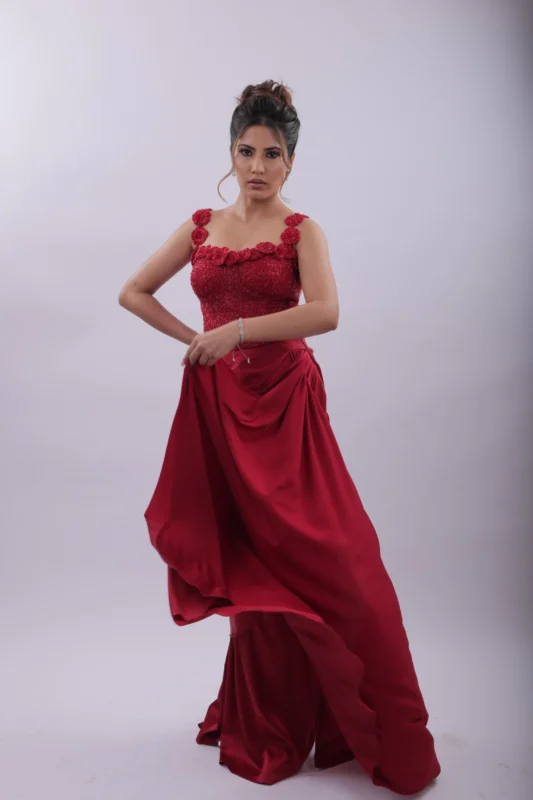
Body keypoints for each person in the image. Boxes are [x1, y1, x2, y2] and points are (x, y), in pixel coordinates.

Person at [118, 80, 441, 795]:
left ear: (291, 160)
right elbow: (132, 291)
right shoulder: (201, 226)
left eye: (272, 154)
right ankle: (267, 716)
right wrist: (198, 340)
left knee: (334, 556)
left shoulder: (303, 231)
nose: (257, 166)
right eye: (246, 151)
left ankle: (385, 727)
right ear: (230, 154)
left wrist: (234, 331)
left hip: (284, 405)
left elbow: (325, 313)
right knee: (252, 562)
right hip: (217, 405)